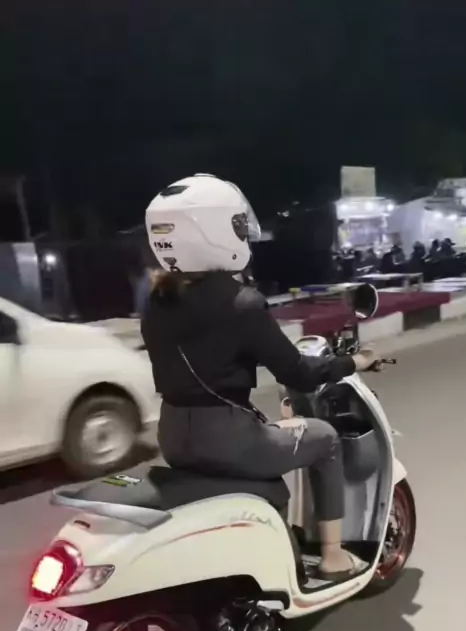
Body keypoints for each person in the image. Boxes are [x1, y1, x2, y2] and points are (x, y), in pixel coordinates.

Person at [141, 174, 380, 582]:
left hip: (175, 436)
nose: (242, 234)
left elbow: (208, 371)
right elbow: (300, 374)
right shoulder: (241, 303)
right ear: (211, 231)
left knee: (279, 430)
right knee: (324, 439)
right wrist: (355, 361)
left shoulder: (157, 302)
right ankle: (333, 556)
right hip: (228, 439)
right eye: (236, 225)